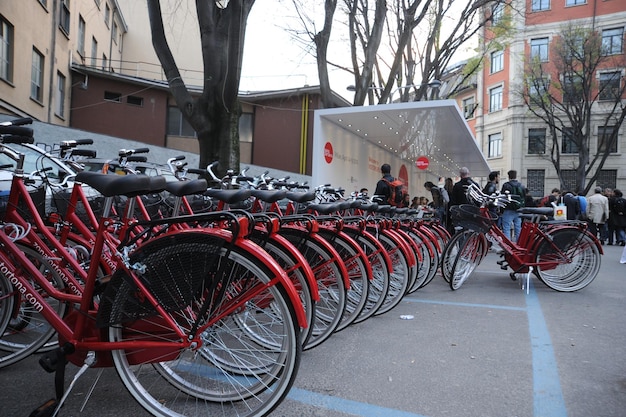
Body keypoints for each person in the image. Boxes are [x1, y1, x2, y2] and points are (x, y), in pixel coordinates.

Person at [500, 170, 526, 242]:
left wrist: (501, 210)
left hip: (508, 209)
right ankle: (519, 243)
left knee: (506, 227)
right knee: (518, 227)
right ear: (516, 176)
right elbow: (524, 197)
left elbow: (503, 198)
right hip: (518, 209)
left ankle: (508, 245)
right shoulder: (521, 185)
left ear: (509, 176)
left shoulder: (506, 185)